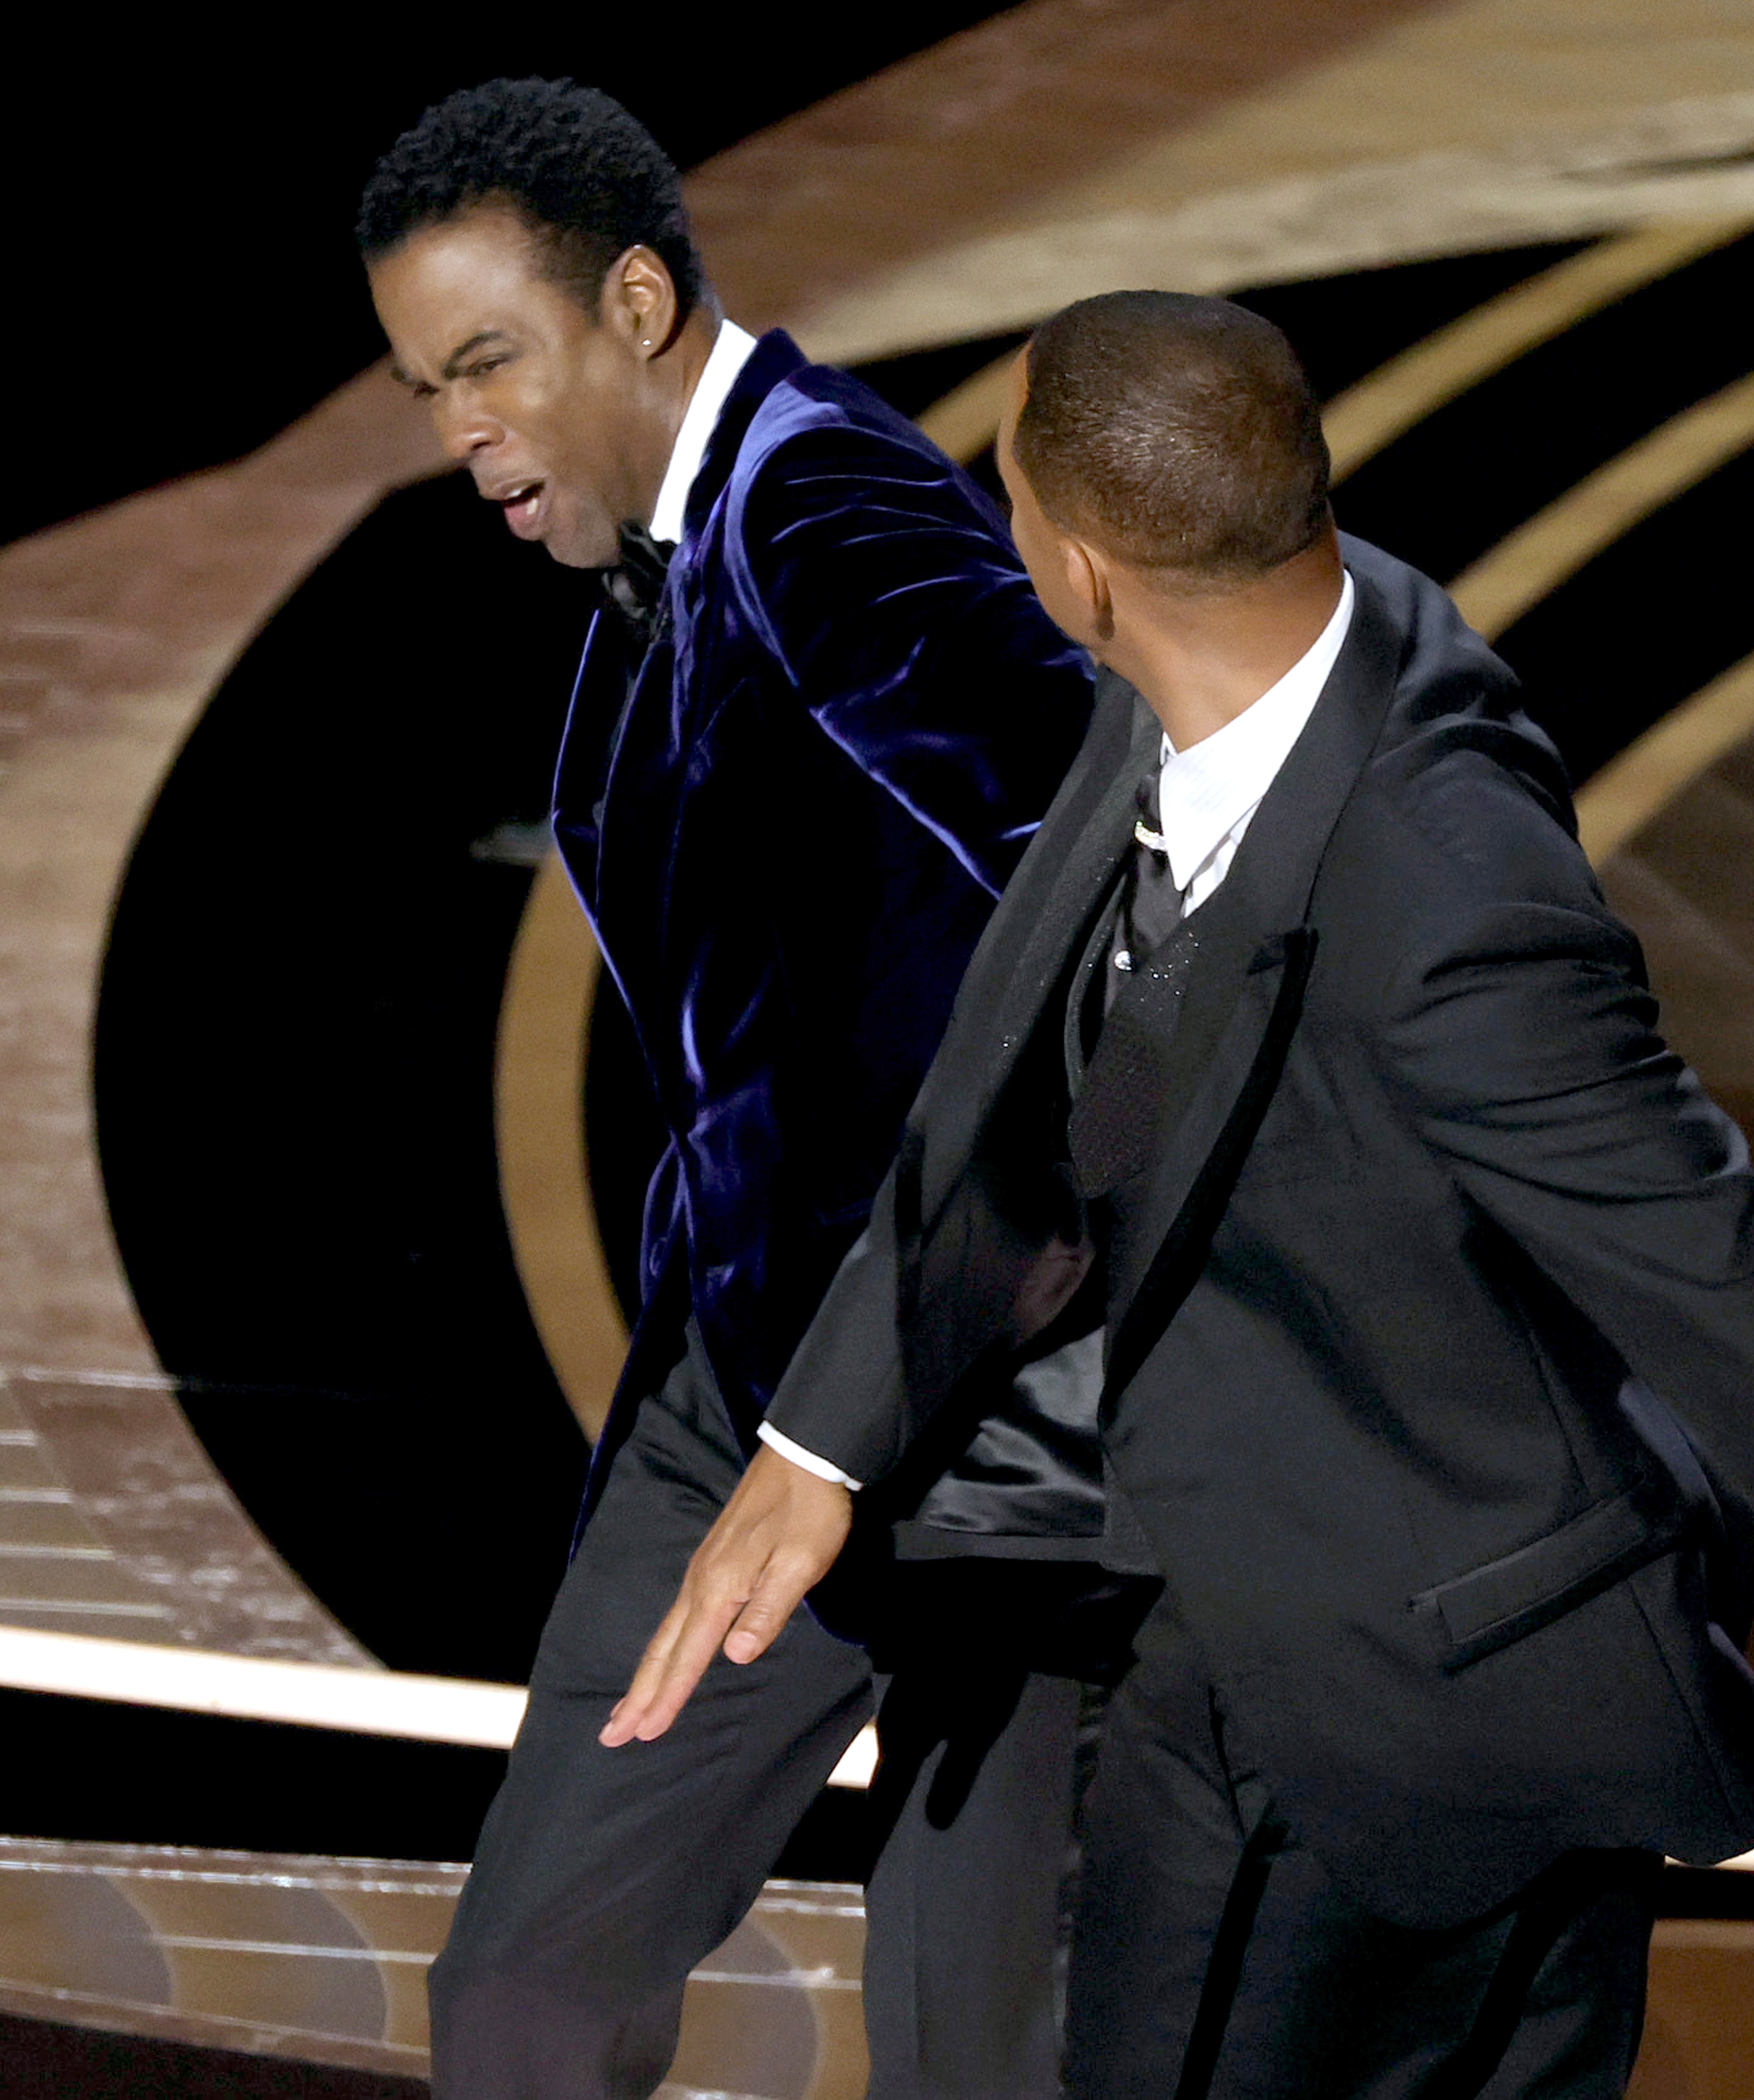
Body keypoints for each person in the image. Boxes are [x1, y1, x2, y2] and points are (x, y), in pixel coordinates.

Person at [611, 291, 1754, 2097]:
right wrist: (827, 1439)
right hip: (1411, 1656)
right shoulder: (1264, 639)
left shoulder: (1449, 904)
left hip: (1369, 1718)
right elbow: (1061, 1077)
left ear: (1077, 569)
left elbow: (1743, 1301)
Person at [358, 80, 1138, 2100]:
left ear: (633, 300)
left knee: (986, 2054)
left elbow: (1104, 838)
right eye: (427, 388)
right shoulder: (656, 574)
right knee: (528, 1990)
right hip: (745, 1408)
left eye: (486, 366)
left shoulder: (821, 504)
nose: (461, 436)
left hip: (984, 1429)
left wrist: (969, 1287)